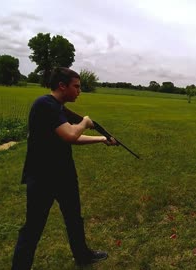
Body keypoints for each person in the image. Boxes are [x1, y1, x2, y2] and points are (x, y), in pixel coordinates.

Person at [12, 67, 117, 269]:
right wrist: (85, 122)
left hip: (64, 175)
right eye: (76, 86)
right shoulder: (45, 104)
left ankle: (83, 256)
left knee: (74, 219)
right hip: (42, 178)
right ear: (62, 86)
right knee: (33, 228)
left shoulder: (57, 107)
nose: (79, 91)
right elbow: (71, 134)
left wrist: (102, 139)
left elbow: (70, 136)